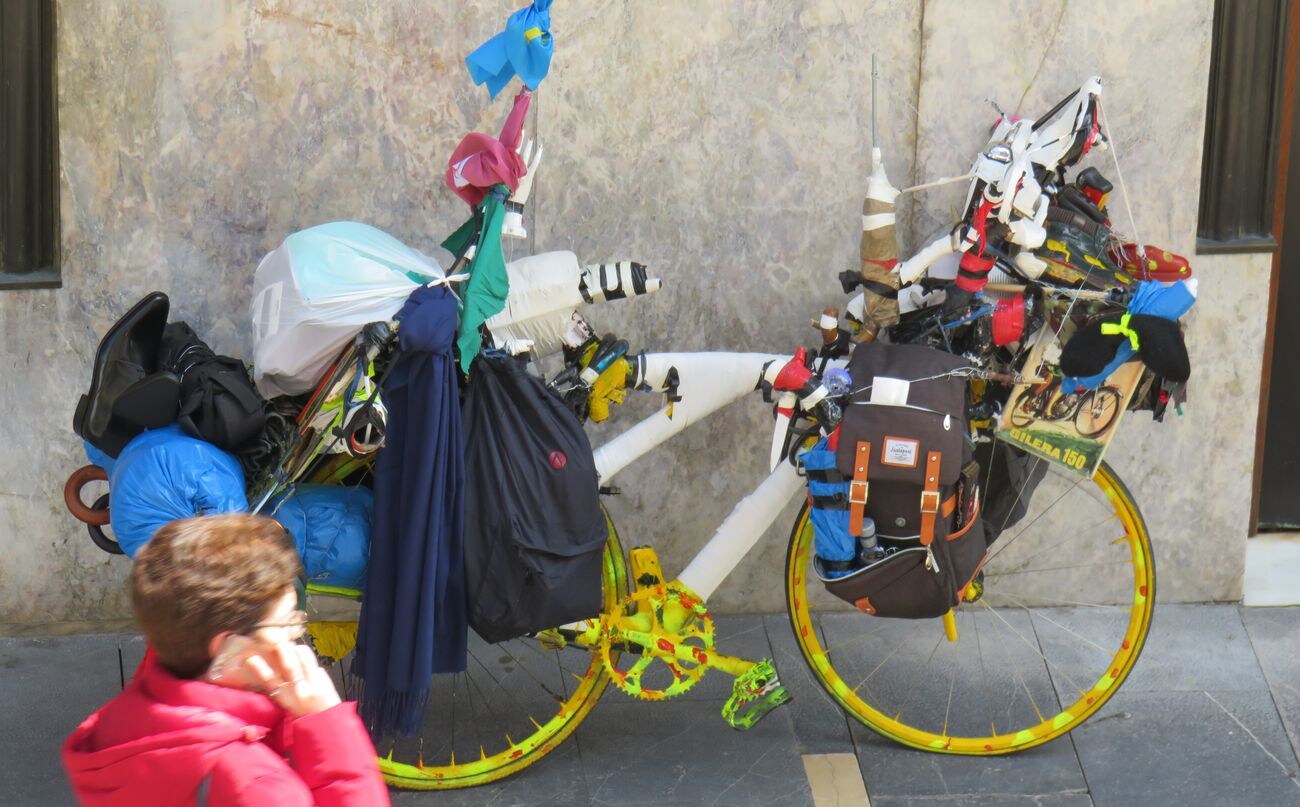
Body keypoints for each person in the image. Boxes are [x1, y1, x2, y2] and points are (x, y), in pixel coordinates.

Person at [62, 514, 390, 806]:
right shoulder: (256, 786)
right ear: (229, 648)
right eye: (285, 623)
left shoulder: (120, 722)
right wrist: (327, 726)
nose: (296, 637)